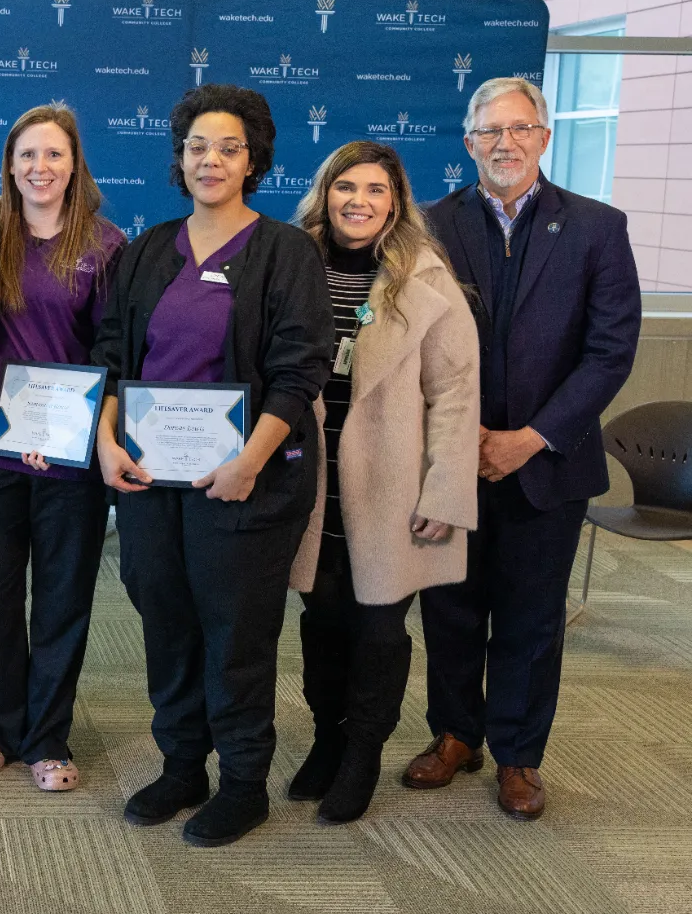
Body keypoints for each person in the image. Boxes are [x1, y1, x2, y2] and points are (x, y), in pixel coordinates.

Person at [90, 83, 332, 846]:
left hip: (246, 483)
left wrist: (248, 461)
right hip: (151, 483)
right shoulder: (148, 249)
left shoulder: (285, 252)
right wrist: (105, 439)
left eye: (229, 147)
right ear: (180, 157)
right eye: (198, 146)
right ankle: (182, 765)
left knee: (236, 633)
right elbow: (113, 358)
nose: (211, 159)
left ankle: (243, 782)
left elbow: (301, 371)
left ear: (253, 159)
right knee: (165, 622)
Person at [407, 77, 641, 820]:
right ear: (468, 143)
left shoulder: (599, 228)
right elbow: (410, 342)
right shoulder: (428, 225)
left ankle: (518, 756)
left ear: (544, 137)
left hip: (548, 464)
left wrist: (529, 440)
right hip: (452, 456)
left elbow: (609, 352)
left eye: (519, 129)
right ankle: (455, 734)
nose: (503, 144)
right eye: (488, 132)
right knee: (448, 609)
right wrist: (463, 438)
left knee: (532, 618)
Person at [286, 141, 480, 823]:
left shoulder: (425, 277)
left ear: (395, 202)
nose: (358, 202)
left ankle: (363, 750)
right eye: (346, 187)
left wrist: (445, 492)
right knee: (320, 619)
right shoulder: (290, 256)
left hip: (391, 484)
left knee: (379, 627)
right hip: (309, 482)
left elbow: (456, 393)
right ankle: (325, 739)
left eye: (374, 190)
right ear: (325, 192)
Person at [0, 103, 124, 793]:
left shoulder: (106, 244)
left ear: (74, 164)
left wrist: (75, 434)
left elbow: (114, 348)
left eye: (54, 155)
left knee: (61, 598)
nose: (40, 168)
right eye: (27, 155)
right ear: (9, 164)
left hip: (70, 454)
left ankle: (47, 735)